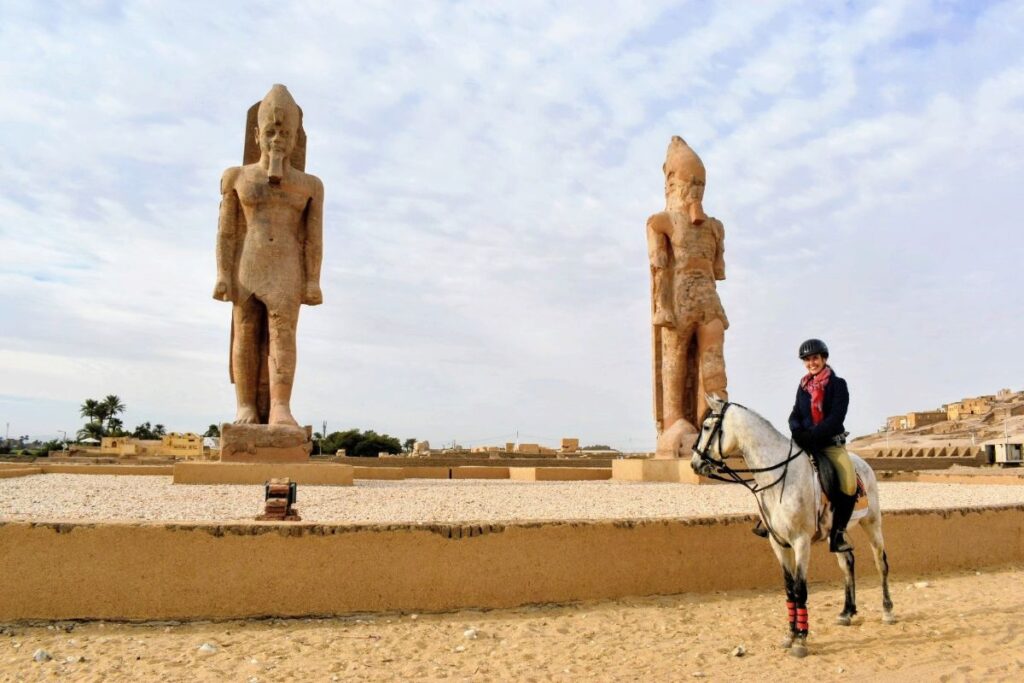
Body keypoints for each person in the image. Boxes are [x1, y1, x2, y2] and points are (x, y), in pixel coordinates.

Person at [213, 84, 324, 427]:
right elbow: (227, 232)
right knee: (246, 331)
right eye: (272, 131)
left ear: (295, 139)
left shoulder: (309, 185)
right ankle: (245, 406)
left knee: (283, 333)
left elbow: (313, 238)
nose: (278, 139)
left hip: (287, 266)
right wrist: (222, 274)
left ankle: (280, 407)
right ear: (258, 135)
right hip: (249, 263)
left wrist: (312, 280)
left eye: (285, 132)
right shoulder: (237, 177)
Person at [754, 339, 857, 553]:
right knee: (778, 473)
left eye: (815, 358)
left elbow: (836, 418)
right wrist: (797, 432)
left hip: (830, 445)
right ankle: (769, 521)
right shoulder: (803, 387)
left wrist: (813, 434)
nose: (812, 363)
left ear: (824, 359)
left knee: (848, 483)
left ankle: (838, 533)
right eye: (808, 360)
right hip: (805, 443)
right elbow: (795, 414)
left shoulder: (838, 385)